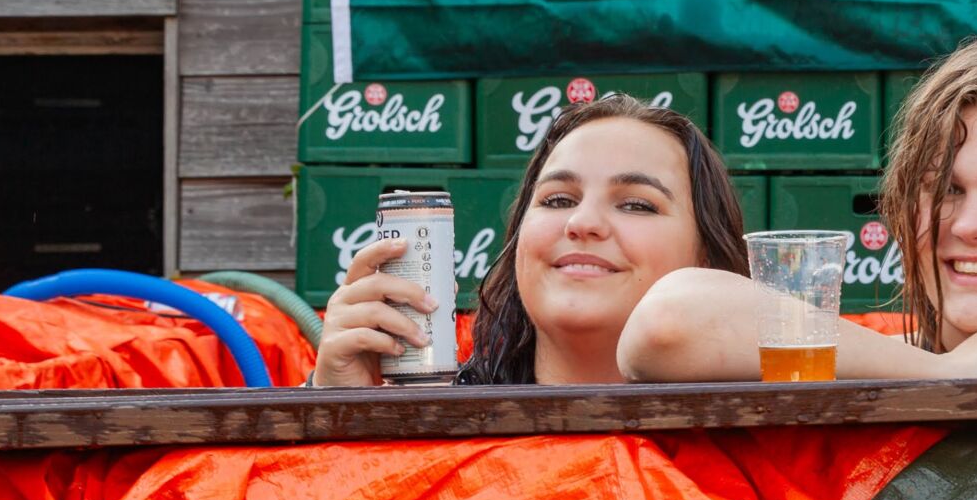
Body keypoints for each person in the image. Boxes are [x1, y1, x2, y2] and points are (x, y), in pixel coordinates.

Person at [617, 34, 977, 380]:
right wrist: (942, 374)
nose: (970, 225)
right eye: (944, 189)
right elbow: (666, 322)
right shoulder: (848, 356)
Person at [311, 93, 755, 386]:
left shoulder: (773, 433)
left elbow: (665, 326)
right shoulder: (437, 411)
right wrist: (340, 413)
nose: (582, 222)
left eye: (637, 204)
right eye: (558, 199)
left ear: (708, 255)